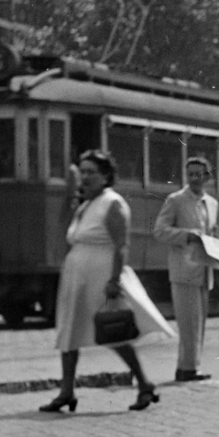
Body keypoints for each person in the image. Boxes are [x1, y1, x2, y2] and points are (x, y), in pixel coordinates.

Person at [42, 150, 165, 413]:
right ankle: (66, 392)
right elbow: (66, 232)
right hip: (77, 275)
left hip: (100, 275)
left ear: (105, 176)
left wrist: (114, 279)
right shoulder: (85, 204)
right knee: (69, 331)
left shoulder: (113, 203)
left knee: (113, 332)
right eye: (82, 172)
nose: (85, 178)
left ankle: (144, 383)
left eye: (91, 173)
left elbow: (122, 245)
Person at [152, 153, 219, 382]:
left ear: (207, 177)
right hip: (183, 268)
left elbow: (208, 229)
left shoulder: (211, 203)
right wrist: (188, 236)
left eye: (199, 174)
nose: (194, 178)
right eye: (190, 174)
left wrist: (217, 236)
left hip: (205, 269)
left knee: (200, 321)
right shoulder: (175, 200)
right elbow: (160, 231)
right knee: (187, 321)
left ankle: (192, 366)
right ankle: (186, 369)